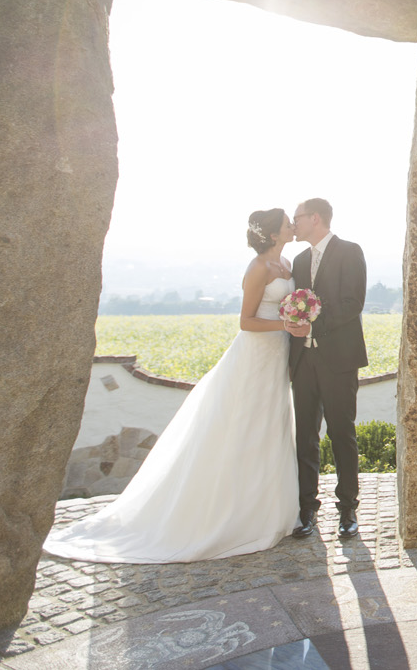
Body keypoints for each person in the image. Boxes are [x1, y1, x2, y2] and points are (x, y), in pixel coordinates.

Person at [42, 209, 299, 563]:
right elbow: (246, 321)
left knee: (271, 426)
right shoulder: (258, 268)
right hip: (256, 354)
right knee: (245, 428)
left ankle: (270, 511)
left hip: (277, 356)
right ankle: (232, 517)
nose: (292, 226)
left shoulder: (286, 262)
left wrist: (294, 323)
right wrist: (285, 326)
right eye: (287, 223)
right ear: (272, 234)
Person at [286, 197, 368, 540]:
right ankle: (307, 510)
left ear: (315, 218)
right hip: (303, 361)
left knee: (341, 434)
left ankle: (347, 508)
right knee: (304, 436)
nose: (294, 225)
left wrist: (313, 327)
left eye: (298, 218)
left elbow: (353, 303)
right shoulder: (299, 260)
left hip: (339, 360)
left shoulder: (351, 252)